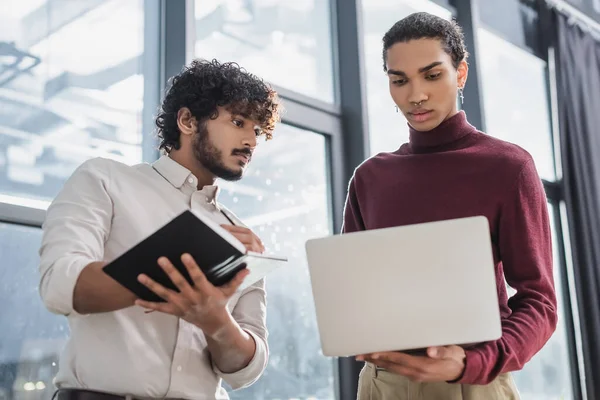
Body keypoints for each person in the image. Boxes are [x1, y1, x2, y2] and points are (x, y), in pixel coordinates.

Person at [343, 12, 557, 399]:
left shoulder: (508, 167)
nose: (415, 95)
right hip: (381, 383)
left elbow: (540, 302)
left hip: (472, 381)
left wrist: (470, 364)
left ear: (460, 74)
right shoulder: (370, 177)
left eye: (432, 75)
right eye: (399, 80)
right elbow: (353, 291)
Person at [39, 59, 282, 400]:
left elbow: (245, 369)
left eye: (257, 130)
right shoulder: (105, 180)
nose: (251, 141)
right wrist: (182, 270)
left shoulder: (239, 237)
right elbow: (61, 283)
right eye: (238, 122)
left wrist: (214, 319)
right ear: (186, 120)